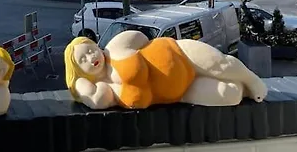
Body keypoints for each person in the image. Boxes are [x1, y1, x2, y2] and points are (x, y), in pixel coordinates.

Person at [64, 33, 267, 111]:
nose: (91, 57)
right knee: (230, 95)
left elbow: (141, 38)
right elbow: (98, 100)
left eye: (90, 50)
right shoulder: (106, 89)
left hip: (180, 53)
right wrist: (80, 84)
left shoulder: (114, 47)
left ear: (96, 45)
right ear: (79, 71)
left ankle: (251, 79)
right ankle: (242, 87)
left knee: (221, 65)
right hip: (182, 91)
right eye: (82, 60)